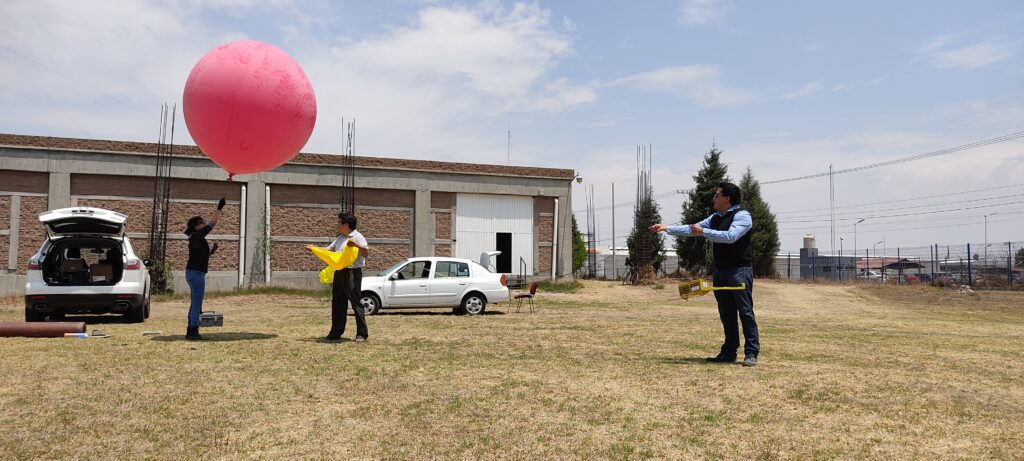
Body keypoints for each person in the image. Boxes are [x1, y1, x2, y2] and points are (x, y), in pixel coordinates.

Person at [650, 182, 760, 367]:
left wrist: (704, 232)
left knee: (745, 312)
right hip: (721, 272)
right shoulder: (715, 217)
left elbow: (730, 237)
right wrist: (666, 228)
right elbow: (692, 229)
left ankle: (751, 353)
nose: (713, 198)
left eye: (717, 195)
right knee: (726, 314)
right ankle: (728, 352)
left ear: (727, 198)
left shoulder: (742, 216)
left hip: (739, 272)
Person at [309, 212, 369, 342]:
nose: (337, 225)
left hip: (353, 273)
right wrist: (314, 249)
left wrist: (356, 246)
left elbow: (366, 253)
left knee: (355, 303)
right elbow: (328, 249)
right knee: (337, 303)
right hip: (339, 272)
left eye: (339, 222)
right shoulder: (340, 238)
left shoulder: (358, 237)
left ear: (346, 224)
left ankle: (362, 334)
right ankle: (335, 333)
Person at [183, 197, 225, 340]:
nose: (204, 223)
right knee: (196, 303)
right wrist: (220, 208)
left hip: (193, 273)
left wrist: (211, 251)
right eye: (201, 222)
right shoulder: (197, 235)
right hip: (196, 274)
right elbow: (212, 224)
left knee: (195, 302)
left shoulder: (195, 238)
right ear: (196, 226)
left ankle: (191, 330)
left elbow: (200, 255)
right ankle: (193, 332)